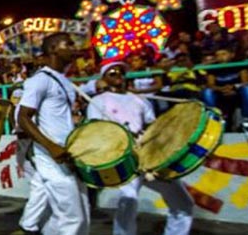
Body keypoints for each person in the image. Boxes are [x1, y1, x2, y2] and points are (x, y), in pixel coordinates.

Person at [87, 60, 194, 235]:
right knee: (128, 203)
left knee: (183, 203)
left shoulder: (139, 100)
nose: (118, 76)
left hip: (151, 157)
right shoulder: (97, 102)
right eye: (112, 73)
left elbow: (152, 126)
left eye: (121, 72)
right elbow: (96, 132)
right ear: (104, 78)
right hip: (126, 159)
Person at [16, 32, 89, 235]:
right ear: (53, 49)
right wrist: (52, 147)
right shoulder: (40, 80)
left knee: (78, 215)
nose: (75, 48)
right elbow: (23, 118)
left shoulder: (63, 80)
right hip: (51, 156)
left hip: (66, 154)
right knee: (72, 219)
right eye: (69, 44)